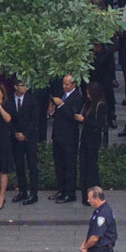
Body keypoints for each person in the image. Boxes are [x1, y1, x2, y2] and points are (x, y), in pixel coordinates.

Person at [49, 73, 85, 201]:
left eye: (67, 84)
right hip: (58, 134)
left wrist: (62, 105)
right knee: (59, 164)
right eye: (63, 83)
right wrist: (52, 110)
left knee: (69, 165)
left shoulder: (78, 97)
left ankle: (70, 193)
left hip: (69, 136)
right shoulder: (60, 93)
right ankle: (61, 189)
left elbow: (73, 115)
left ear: (74, 84)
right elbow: (56, 112)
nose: (64, 86)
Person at [82, 183, 116, 252]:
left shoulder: (102, 214)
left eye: (90, 198)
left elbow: (94, 238)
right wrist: (84, 243)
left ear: (97, 199)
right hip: (99, 251)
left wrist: (85, 247)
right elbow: (92, 229)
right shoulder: (99, 210)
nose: (88, 200)